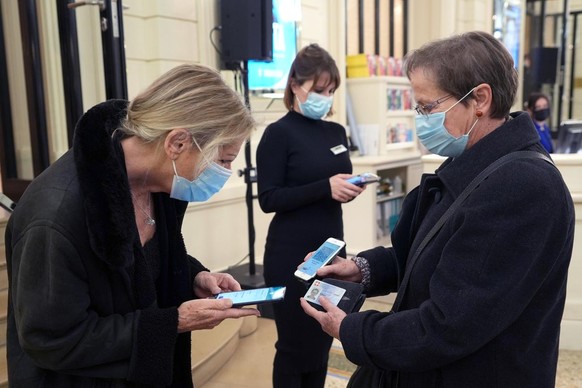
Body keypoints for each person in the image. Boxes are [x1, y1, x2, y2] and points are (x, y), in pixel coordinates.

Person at [300, 31, 575, 387]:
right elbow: (424, 253)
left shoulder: (522, 186)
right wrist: (361, 270)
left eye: (428, 108)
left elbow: (449, 325)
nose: (421, 120)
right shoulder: (473, 163)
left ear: (480, 99)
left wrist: (352, 330)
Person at [5, 64, 260, 387]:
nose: (227, 171)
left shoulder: (161, 184)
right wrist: (174, 323)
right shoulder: (55, 215)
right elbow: (52, 339)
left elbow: (144, 265)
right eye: (224, 159)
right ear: (177, 143)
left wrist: (194, 275)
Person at [256, 43, 365, 388]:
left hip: (331, 250)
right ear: (295, 85)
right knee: (293, 347)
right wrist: (325, 188)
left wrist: (348, 187)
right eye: (319, 90)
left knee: (323, 339)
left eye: (331, 90)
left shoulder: (336, 132)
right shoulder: (278, 134)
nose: (326, 97)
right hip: (290, 254)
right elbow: (269, 198)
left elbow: (334, 183)